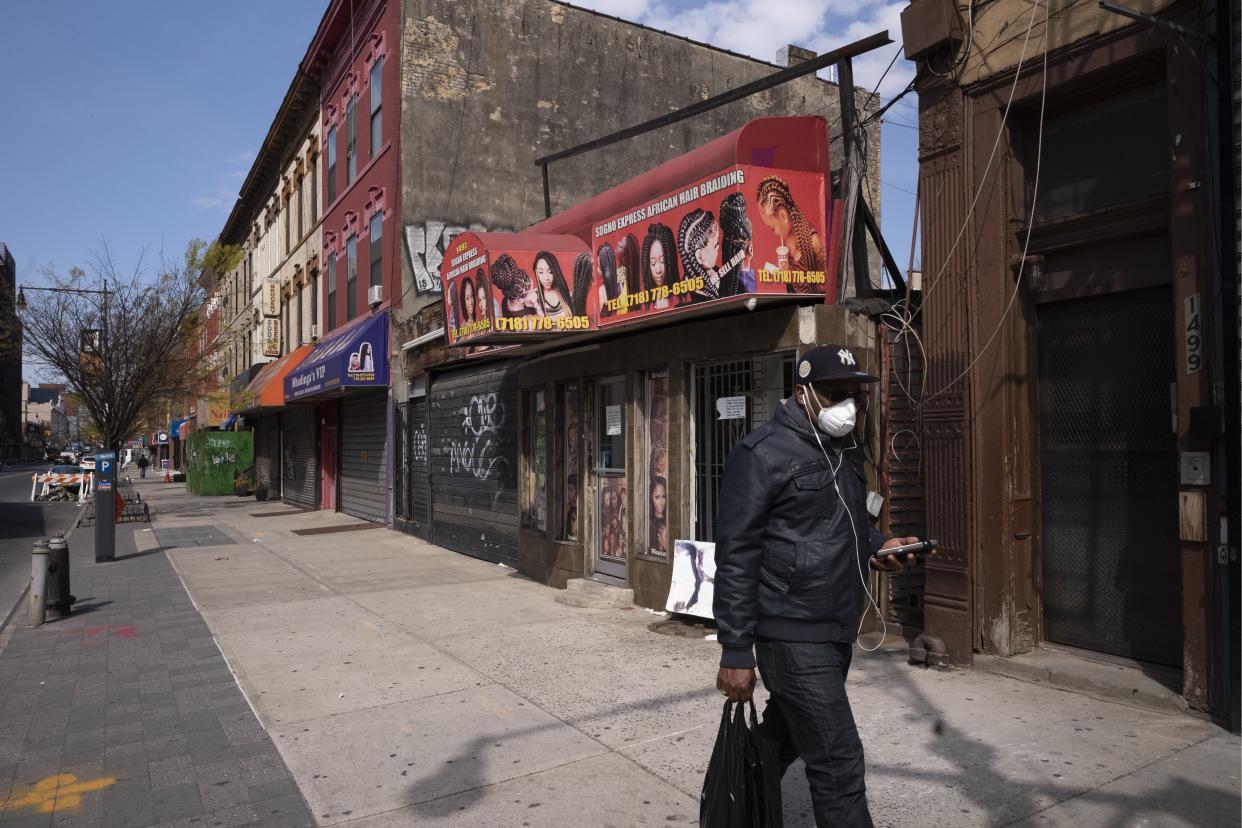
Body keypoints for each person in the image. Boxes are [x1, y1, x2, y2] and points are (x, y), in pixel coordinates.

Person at [712, 344, 927, 828]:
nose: (847, 405)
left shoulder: (843, 450)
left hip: (835, 629)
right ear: (802, 392)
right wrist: (735, 650)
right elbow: (736, 557)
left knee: (782, 739)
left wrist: (880, 546)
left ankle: (739, 809)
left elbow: (845, 524)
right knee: (838, 761)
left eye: (854, 394)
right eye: (834, 394)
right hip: (791, 633)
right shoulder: (761, 454)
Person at [755, 175, 824, 294]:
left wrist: (794, 276)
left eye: (773, 228)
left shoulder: (813, 242)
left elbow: (828, 288)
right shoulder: (786, 242)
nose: (775, 233)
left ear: (783, 216)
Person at [677, 208, 723, 302]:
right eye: (715, 246)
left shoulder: (718, 273)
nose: (718, 248)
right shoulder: (690, 296)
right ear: (699, 256)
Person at [490, 255, 543, 319]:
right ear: (520, 300)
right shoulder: (527, 320)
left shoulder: (506, 300)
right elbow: (545, 323)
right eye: (530, 291)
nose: (533, 292)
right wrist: (536, 305)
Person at [641, 223, 679, 311]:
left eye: (663, 261)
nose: (658, 270)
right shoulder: (643, 304)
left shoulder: (683, 297)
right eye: (653, 263)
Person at [533, 252, 573, 319]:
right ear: (536, 271)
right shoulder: (533, 297)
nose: (546, 278)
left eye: (550, 272)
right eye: (541, 272)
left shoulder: (565, 293)